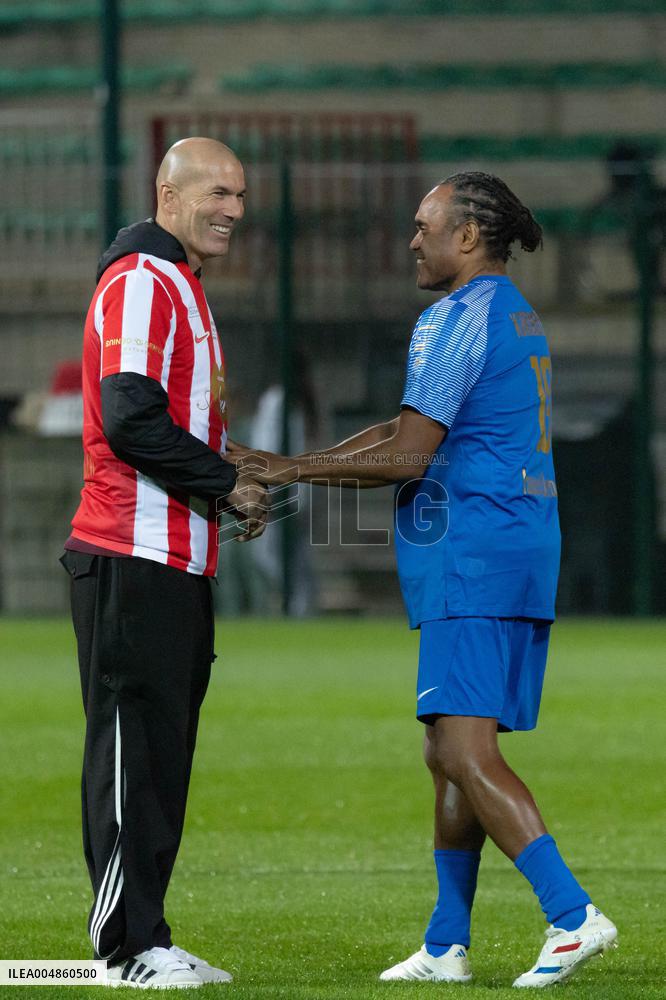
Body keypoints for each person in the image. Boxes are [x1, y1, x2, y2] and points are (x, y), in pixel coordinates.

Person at [228, 173, 617, 989]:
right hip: (513, 542)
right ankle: (445, 945)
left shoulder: (453, 318)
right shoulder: (510, 311)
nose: (412, 241)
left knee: (466, 750)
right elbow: (409, 429)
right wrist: (300, 465)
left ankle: (572, 915)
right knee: (447, 750)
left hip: (472, 551)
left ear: (467, 236)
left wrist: (291, 467)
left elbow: (409, 456)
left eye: (423, 226)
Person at [61, 137, 268, 989]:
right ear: (168, 194)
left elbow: (163, 419)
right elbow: (130, 417)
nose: (234, 209)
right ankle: (123, 949)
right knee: (131, 753)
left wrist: (231, 476)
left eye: (242, 195)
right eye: (218, 191)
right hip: (129, 555)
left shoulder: (176, 282)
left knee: (158, 757)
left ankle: (146, 935)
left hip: (174, 558)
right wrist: (225, 483)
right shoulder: (145, 281)